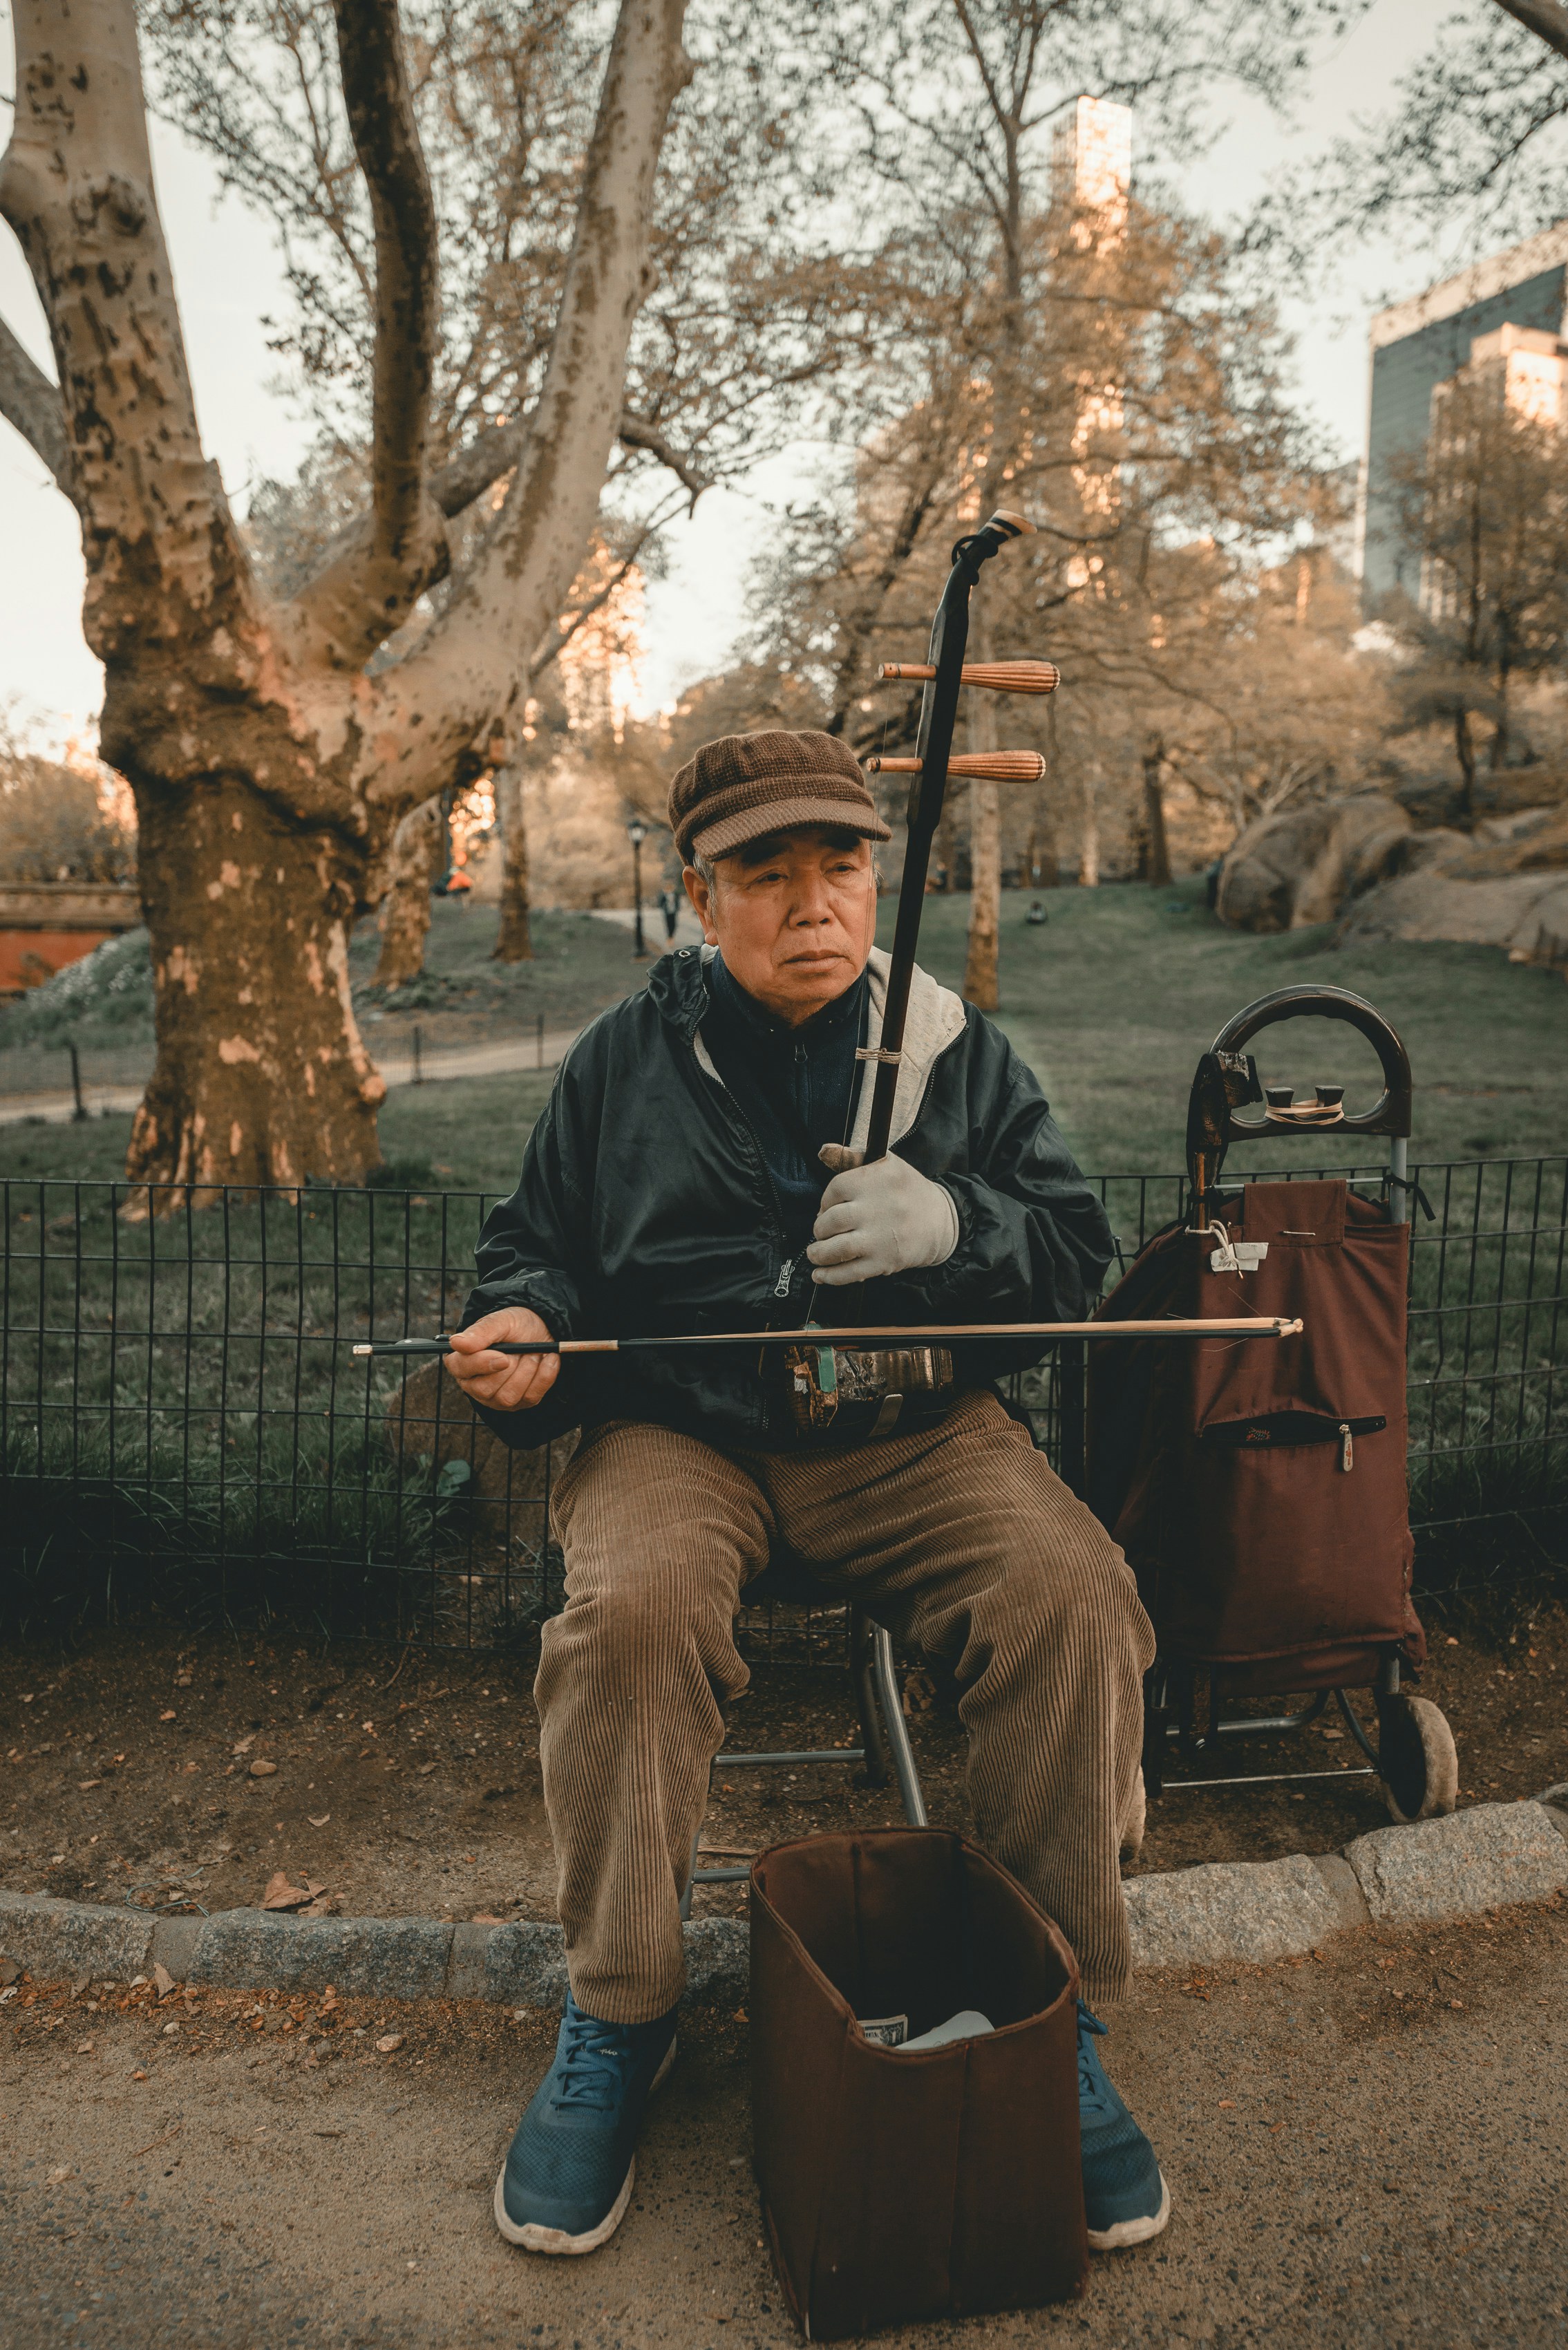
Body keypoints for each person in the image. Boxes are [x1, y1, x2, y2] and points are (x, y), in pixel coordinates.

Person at [444, 728, 1165, 2261]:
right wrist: (522, 1337)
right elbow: (534, 1254)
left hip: (917, 1433)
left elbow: (1069, 1253)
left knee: (1073, 1588)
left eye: (838, 863)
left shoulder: (953, 1045)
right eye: (763, 872)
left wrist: (953, 1222)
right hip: (678, 1436)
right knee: (625, 1614)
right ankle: (622, 2014)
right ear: (699, 898)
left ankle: (1050, 2007)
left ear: (873, 876)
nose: (811, 901)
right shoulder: (622, 1060)